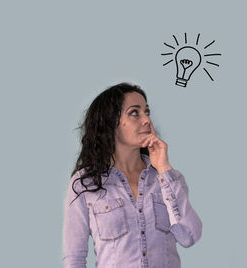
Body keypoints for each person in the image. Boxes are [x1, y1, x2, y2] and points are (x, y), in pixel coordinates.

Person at [62, 82, 202, 268]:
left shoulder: (169, 179)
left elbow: (189, 237)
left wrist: (163, 169)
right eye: (135, 112)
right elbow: (74, 259)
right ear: (110, 122)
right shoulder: (84, 184)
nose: (147, 120)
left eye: (147, 112)